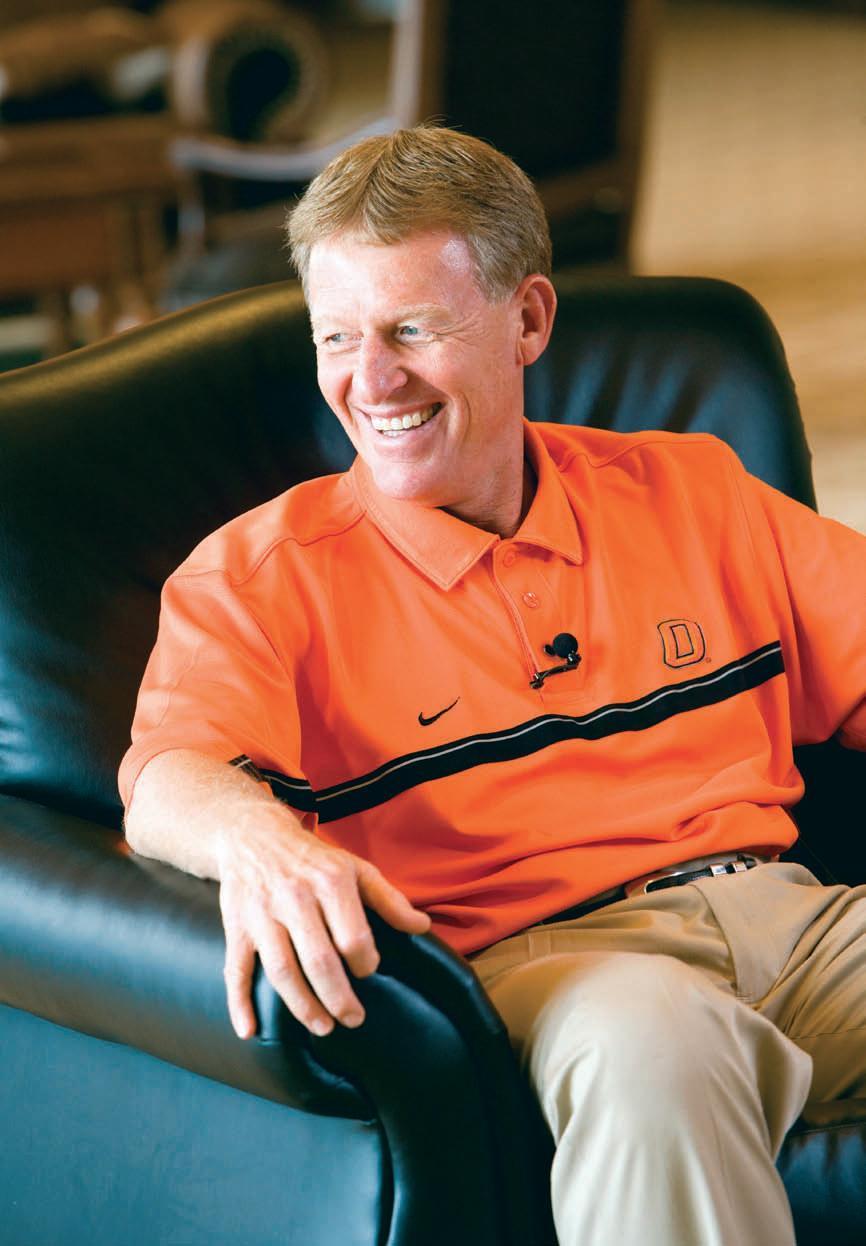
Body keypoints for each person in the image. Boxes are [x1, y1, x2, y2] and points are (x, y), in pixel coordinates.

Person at [120, 125, 866, 1246]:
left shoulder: (689, 491)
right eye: (338, 336)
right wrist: (262, 845)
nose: (371, 381)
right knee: (652, 1044)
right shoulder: (263, 577)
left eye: (412, 329)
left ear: (527, 321)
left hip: (794, 920)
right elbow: (168, 778)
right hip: (554, 969)